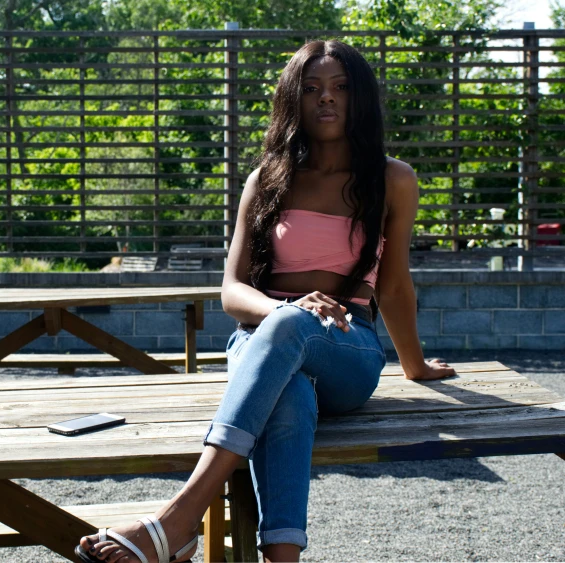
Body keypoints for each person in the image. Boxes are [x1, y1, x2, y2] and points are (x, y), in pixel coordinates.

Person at [75, 39, 457, 563]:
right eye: (313, 88)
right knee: (290, 392)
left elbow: (392, 285)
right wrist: (288, 311)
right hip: (260, 339)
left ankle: (179, 519)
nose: (327, 99)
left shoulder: (393, 180)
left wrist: (413, 366)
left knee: (290, 335)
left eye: (341, 88)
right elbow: (232, 291)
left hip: (349, 346)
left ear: (360, 98)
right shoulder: (267, 180)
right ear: (292, 99)